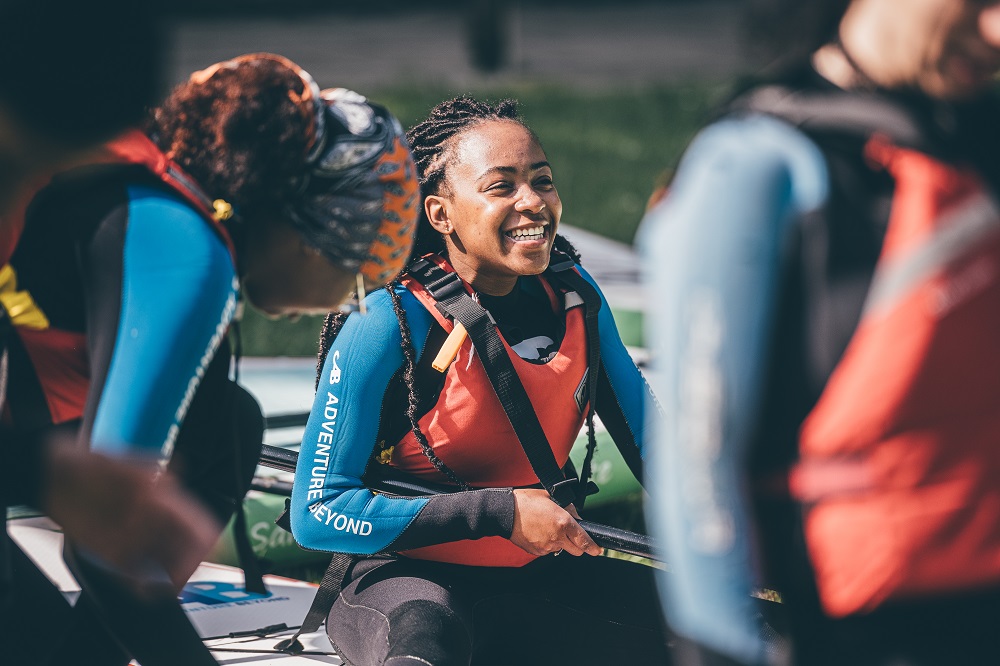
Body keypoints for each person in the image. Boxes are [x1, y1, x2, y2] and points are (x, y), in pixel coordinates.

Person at [2, 52, 419, 665]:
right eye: (356, 278)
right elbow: (102, 544)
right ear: (309, 235)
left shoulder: (154, 189)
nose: (346, 302)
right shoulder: (188, 251)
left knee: (224, 423)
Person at [639, 1, 1000, 664]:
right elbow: (697, 454)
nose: (997, 30)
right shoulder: (755, 161)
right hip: (869, 629)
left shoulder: (974, 145)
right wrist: (719, 647)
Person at [289, 96, 671, 666]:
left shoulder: (576, 298)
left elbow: (662, 459)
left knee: (764, 633)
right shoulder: (391, 321)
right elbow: (316, 513)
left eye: (542, 181)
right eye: (502, 187)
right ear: (440, 214)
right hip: (410, 586)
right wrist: (499, 513)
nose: (533, 203)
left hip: (542, 581)